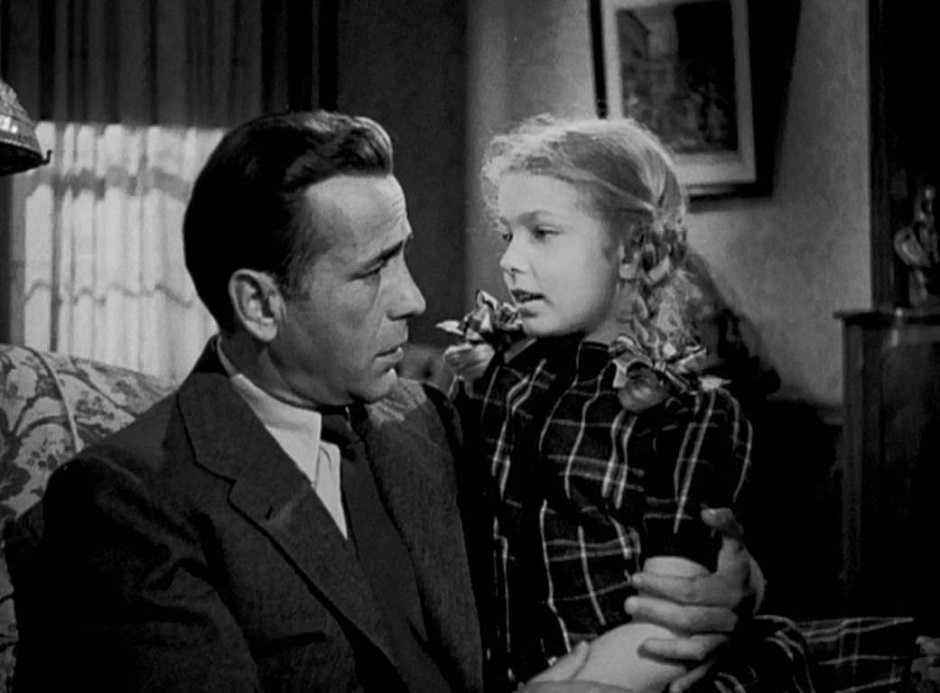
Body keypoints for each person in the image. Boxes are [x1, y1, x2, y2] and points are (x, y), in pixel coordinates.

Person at [5, 109, 763, 693]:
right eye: (373, 273)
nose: (415, 298)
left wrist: (728, 581)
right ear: (260, 304)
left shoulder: (430, 421)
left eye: (403, 254)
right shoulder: (128, 500)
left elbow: (583, 528)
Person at [443, 115, 816, 693]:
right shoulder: (496, 381)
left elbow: (670, 623)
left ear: (631, 251)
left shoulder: (685, 413)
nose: (510, 260)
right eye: (506, 235)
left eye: (542, 233)